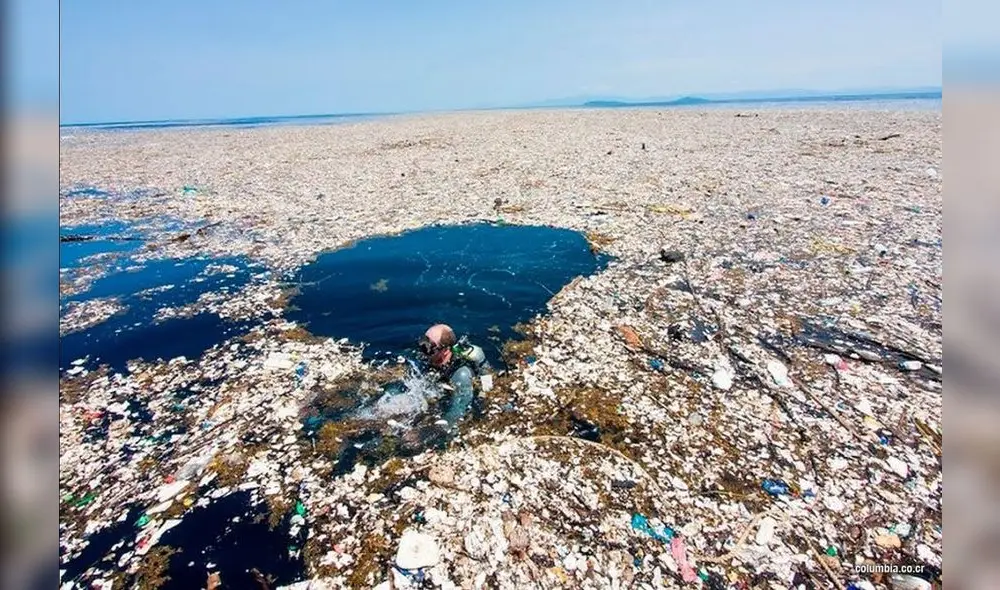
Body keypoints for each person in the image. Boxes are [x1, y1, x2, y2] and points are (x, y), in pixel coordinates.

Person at [417, 323, 492, 428]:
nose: (423, 350)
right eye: (423, 341)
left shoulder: (461, 375)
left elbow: (459, 410)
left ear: (445, 350)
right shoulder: (432, 358)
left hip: (461, 396)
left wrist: (428, 432)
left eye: (428, 346)